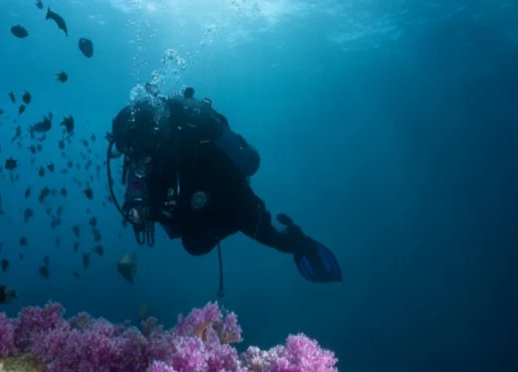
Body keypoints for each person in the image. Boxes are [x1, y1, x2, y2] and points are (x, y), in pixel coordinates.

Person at [108, 89, 342, 284]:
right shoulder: (142, 162)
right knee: (194, 246)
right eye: (133, 148)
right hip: (194, 218)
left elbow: (247, 163)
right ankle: (291, 241)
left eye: (144, 142)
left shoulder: (187, 132)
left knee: (268, 233)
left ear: (155, 128)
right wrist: (139, 211)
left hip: (229, 197)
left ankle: (303, 245)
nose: (142, 152)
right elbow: (138, 204)